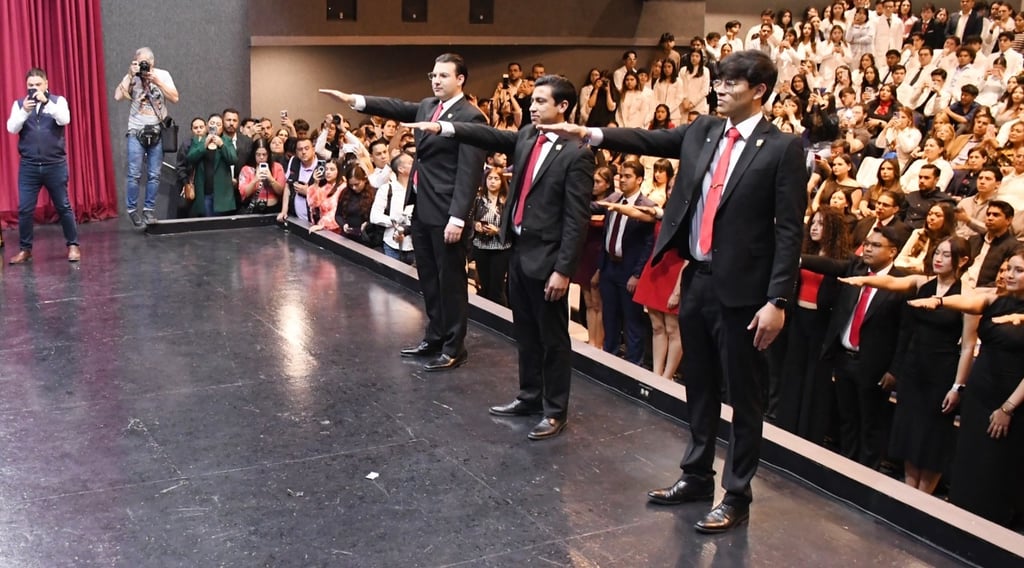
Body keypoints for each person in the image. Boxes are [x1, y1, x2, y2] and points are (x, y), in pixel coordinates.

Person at [540, 50, 806, 533]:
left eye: (731, 84)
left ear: (759, 91)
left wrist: (778, 300)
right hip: (698, 278)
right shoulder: (704, 131)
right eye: (718, 82)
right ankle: (696, 476)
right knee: (699, 385)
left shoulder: (782, 148)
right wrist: (591, 133)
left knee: (743, 397)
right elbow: (649, 138)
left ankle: (738, 494)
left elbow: (789, 230)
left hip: (747, 293)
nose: (720, 90)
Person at [408, 74, 593, 440]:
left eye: (541, 101)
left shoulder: (578, 153)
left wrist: (563, 270)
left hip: (548, 258)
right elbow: (490, 136)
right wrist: (444, 128)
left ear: (564, 107)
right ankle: (529, 395)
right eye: (532, 101)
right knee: (524, 331)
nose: (532, 107)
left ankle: (554, 410)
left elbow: (577, 219)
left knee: (552, 337)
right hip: (519, 249)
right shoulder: (527, 136)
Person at [321, 53, 487, 372]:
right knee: (429, 278)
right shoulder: (428, 106)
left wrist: (458, 217)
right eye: (433, 75)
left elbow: (469, 172)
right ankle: (435, 336)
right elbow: (395, 106)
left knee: (451, 281)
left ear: (460, 79)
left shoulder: (472, 116)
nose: (436, 80)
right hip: (422, 209)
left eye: (443, 76)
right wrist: (354, 99)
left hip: (448, 212)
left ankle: (455, 346)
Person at [840, 236, 972, 493]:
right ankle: (908, 491)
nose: (939, 258)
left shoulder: (966, 295)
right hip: (914, 368)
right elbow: (891, 281)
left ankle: (924, 497)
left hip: (941, 371)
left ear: (963, 260)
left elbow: (967, 346)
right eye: (937, 252)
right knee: (909, 433)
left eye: (946, 254)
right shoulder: (923, 282)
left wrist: (957, 386)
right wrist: (864, 280)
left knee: (932, 437)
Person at [908, 247, 1024, 526]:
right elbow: (966, 302)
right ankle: (957, 520)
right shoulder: (995, 300)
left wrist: (1007, 408)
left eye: (1018, 270)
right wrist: (938, 301)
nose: (1009, 274)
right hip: (979, 394)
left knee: (994, 468)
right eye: (1008, 268)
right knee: (968, 460)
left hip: (1008, 401)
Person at [803, 226, 913, 469]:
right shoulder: (857, 267)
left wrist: (895, 370)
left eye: (875, 245)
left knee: (870, 425)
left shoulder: (901, 281)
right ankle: (845, 467)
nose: (868, 249)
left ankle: (865, 475)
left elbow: (905, 332)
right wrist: (797, 258)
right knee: (847, 418)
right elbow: (830, 265)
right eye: (867, 243)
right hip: (844, 357)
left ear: (892, 251)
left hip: (874, 363)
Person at [777, 209, 853, 443]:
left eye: (821, 223)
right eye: (813, 222)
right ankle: (785, 427)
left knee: (814, 379)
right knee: (792, 373)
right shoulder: (806, 250)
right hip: (798, 317)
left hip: (822, 323)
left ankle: (807, 434)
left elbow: (832, 267)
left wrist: (798, 259)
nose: (814, 227)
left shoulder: (844, 260)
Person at [5, 67, 79, 264]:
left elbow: (65, 119)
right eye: (30, 85)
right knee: (25, 209)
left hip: (55, 165)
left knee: (63, 206)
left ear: (46, 84)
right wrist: (24, 111)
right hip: (29, 166)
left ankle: (73, 245)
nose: (34, 88)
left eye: (38, 84)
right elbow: (11, 128)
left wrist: (47, 103)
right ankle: (25, 250)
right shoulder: (20, 105)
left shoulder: (58, 101)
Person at [113, 47, 179, 227]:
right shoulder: (132, 77)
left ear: (152, 63)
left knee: (154, 175)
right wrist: (129, 75)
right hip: (136, 131)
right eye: (139, 62)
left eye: (146, 63)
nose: (143, 67)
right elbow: (118, 96)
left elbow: (175, 98)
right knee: (134, 174)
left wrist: (157, 81)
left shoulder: (162, 75)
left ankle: (149, 210)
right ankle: (132, 210)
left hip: (157, 131)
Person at [470, 167, 512, 306]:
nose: (492, 182)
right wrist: (476, 225)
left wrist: (498, 231)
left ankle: (500, 322)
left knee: (497, 288)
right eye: (490, 178)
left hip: (501, 248)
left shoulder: (508, 202)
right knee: (483, 285)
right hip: (481, 246)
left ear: (502, 181)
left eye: (496, 178)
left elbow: (513, 227)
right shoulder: (478, 199)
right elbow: (468, 219)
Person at [185, 114, 237, 217]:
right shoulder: (199, 140)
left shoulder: (226, 140)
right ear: (207, 126)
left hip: (222, 193)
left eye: (218, 124)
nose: (215, 126)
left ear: (222, 128)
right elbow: (190, 158)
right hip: (204, 191)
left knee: (220, 226)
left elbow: (233, 160)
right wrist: (204, 145)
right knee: (207, 222)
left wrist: (221, 145)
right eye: (212, 123)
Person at [370, 153, 415, 264]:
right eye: (410, 163)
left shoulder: (418, 189)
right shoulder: (387, 189)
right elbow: (374, 216)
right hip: (392, 244)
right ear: (400, 169)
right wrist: (395, 221)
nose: (415, 165)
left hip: (416, 245)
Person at [237, 138, 285, 214]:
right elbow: (244, 194)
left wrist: (271, 179)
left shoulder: (277, 167)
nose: (261, 157)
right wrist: (255, 180)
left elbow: (281, 192)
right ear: (254, 154)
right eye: (258, 154)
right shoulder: (246, 169)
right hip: (254, 209)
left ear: (268, 154)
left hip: (273, 209)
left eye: (264, 154)